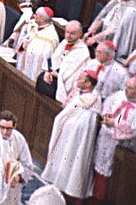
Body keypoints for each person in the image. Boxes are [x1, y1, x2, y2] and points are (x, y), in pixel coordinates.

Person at [41, 71, 102, 201]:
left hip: (76, 142)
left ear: (88, 84)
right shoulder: (79, 94)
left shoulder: (92, 102)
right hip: (65, 138)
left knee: (72, 167)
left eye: (80, 78)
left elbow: (83, 126)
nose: (77, 79)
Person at [92, 74, 136, 201]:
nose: (126, 90)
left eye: (131, 89)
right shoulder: (120, 95)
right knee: (97, 171)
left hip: (121, 150)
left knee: (109, 182)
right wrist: (106, 115)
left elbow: (133, 128)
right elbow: (107, 103)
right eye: (126, 86)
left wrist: (114, 123)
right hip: (105, 139)